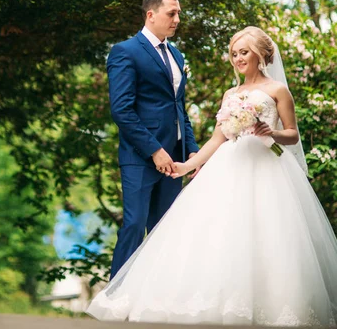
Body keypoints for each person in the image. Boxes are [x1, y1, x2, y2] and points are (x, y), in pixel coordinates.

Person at [87, 26, 337, 326]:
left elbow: (293, 135)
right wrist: (185, 166)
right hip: (229, 166)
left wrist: (272, 132)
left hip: (268, 167)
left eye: (244, 52)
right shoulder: (231, 94)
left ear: (261, 54)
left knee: (270, 232)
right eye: (234, 54)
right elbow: (217, 140)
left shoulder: (277, 90)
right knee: (219, 232)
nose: (238, 59)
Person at [106, 0, 199, 279]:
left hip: (175, 160)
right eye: (171, 14)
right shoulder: (125, 52)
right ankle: (114, 298)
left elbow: (178, 108)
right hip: (141, 157)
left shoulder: (176, 54)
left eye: (179, 14)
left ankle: (154, 302)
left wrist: (193, 150)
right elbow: (122, 110)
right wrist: (154, 150)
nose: (177, 20)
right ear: (151, 14)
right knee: (134, 225)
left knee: (165, 230)